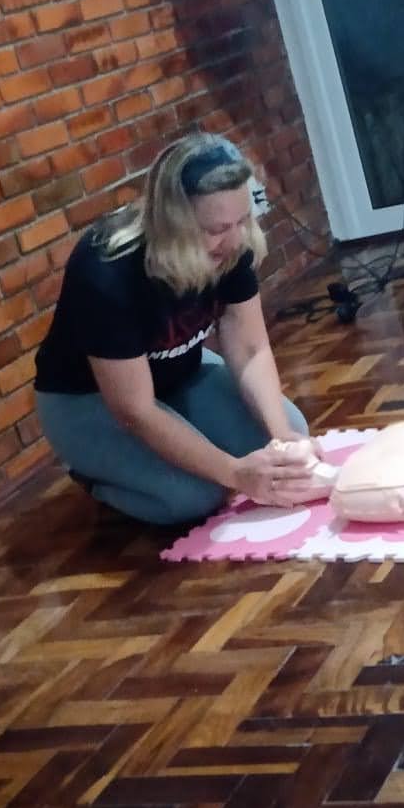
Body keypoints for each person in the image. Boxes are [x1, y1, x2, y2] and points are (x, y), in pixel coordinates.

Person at [34, 132, 317, 525]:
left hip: (178, 375)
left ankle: (192, 439)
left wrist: (281, 435)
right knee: (193, 497)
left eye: (242, 221)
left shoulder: (233, 243)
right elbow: (135, 410)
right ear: (172, 222)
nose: (234, 239)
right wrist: (235, 473)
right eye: (216, 229)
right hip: (87, 400)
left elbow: (250, 348)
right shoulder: (105, 268)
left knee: (288, 436)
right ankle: (91, 473)